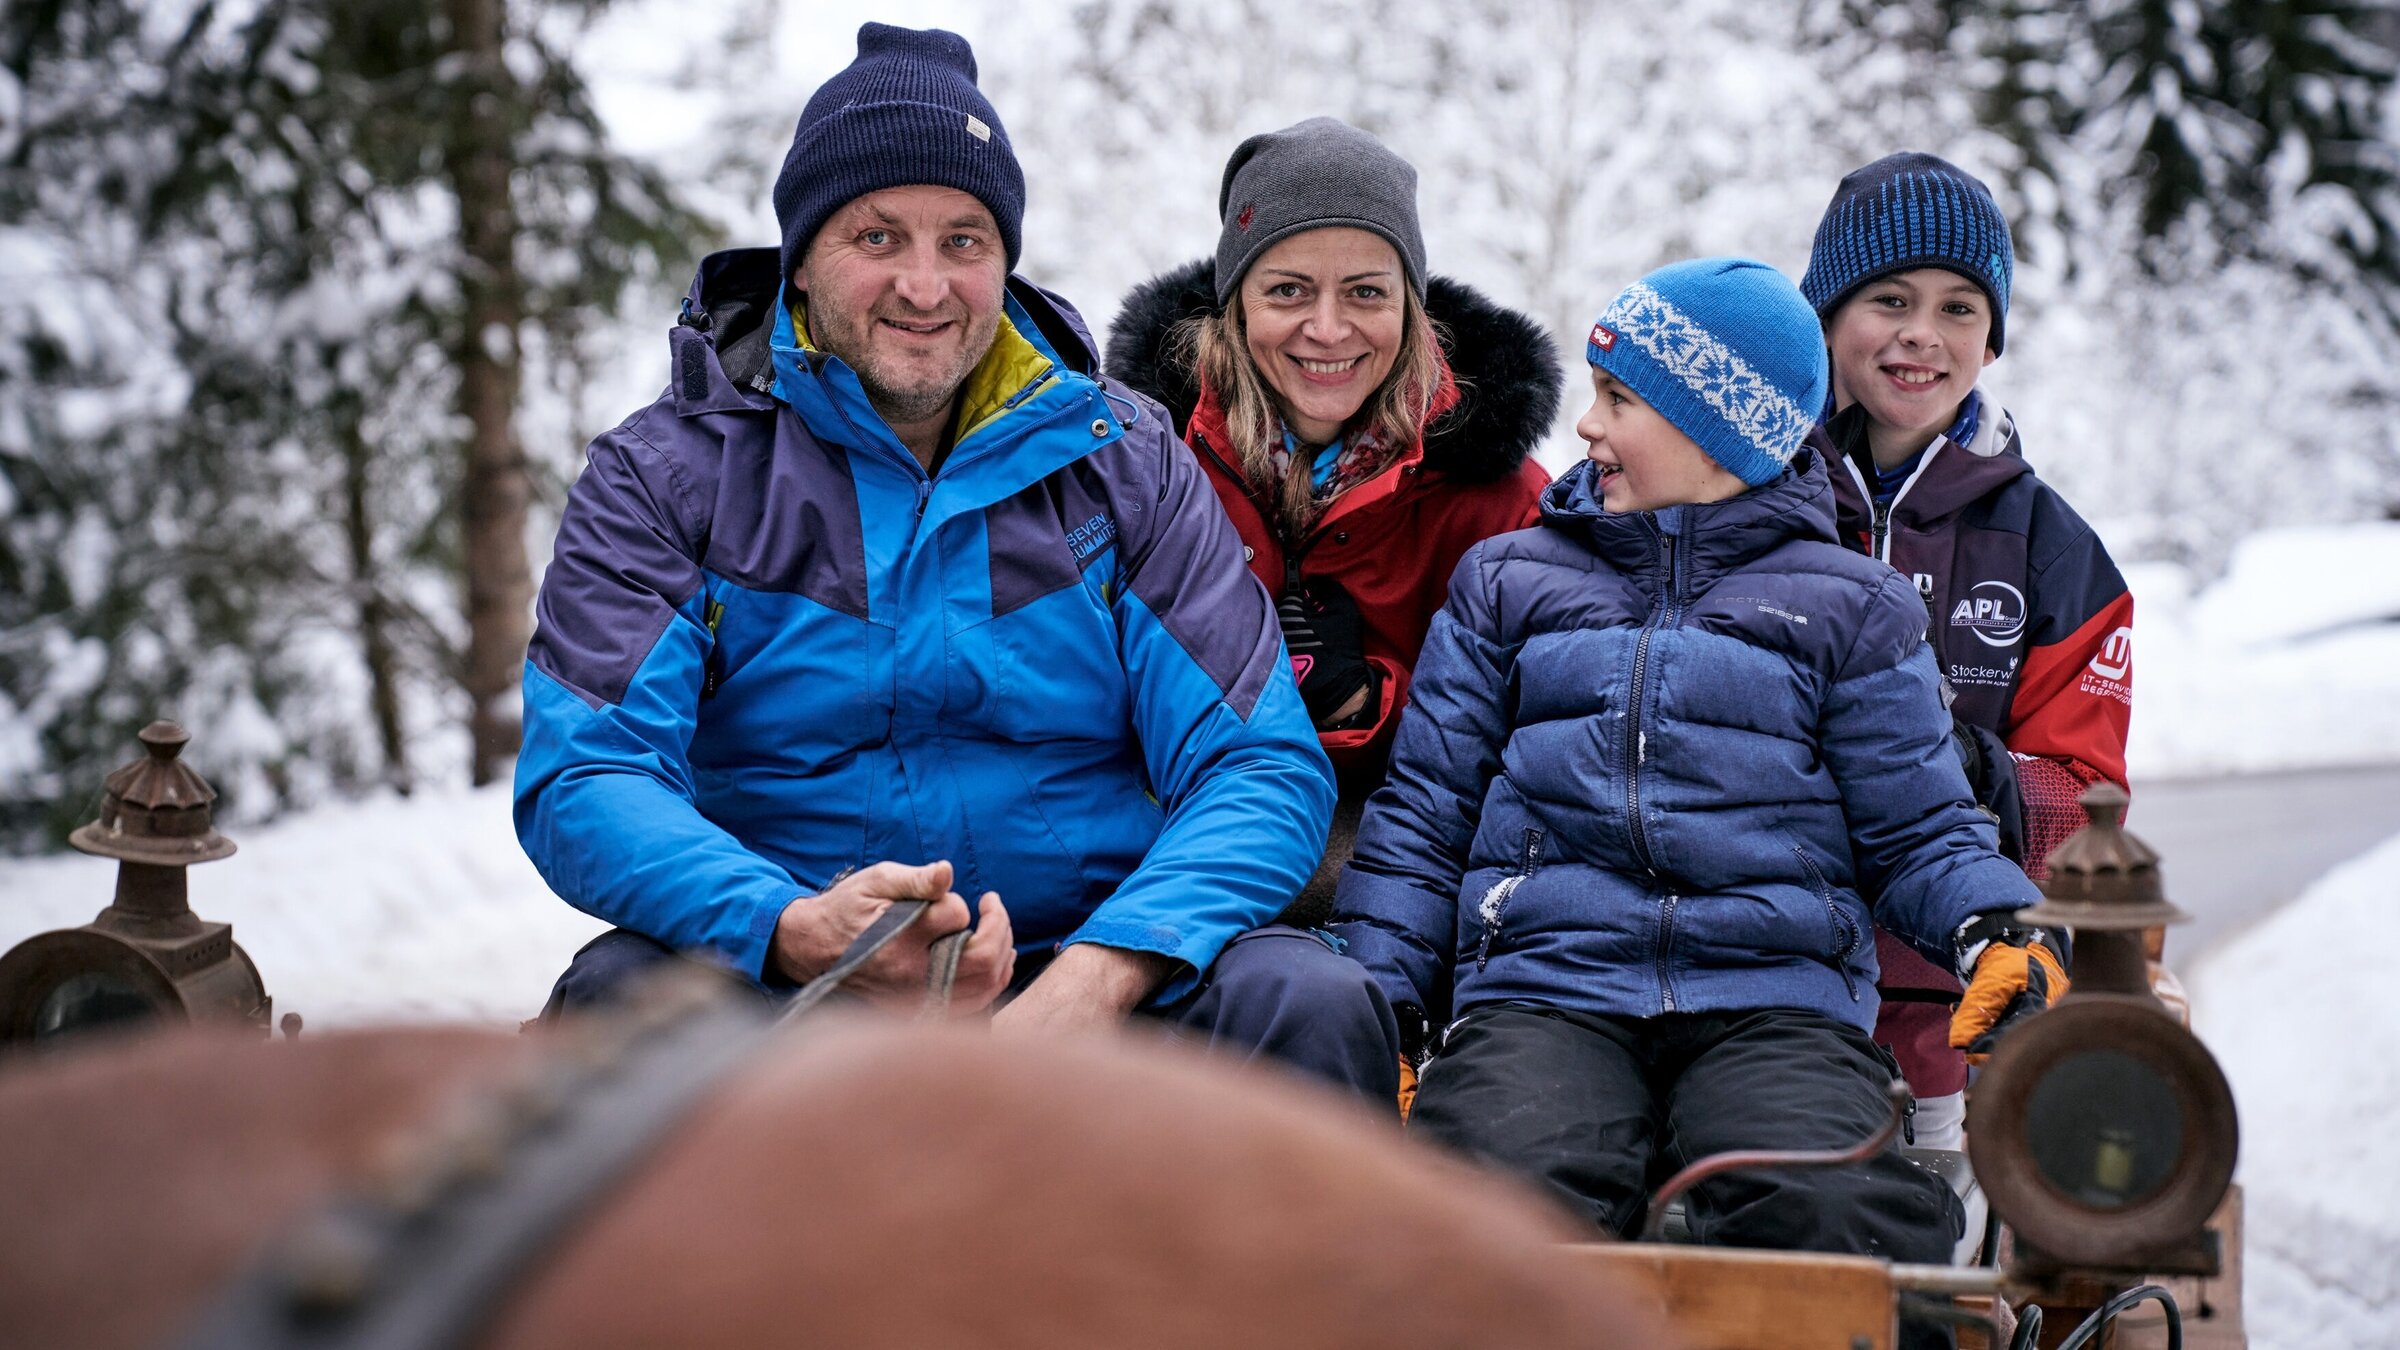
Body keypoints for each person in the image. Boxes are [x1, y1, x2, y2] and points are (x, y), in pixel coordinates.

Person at [513, 23, 1397, 1099]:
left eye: (965, 241)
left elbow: (1260, 763)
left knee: (1306, 999)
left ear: (1005, 257)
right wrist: (787, 926)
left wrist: (1104, 972)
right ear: (802, 255)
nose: (926, 287)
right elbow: (587, 772)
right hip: (782, 977)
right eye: (878, 237)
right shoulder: (666, 478)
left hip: (1091, 964)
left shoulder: (1122, 464)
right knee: (617, 1000)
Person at [1329, 258, 2067, 1268]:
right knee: (1490, 1209)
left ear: (1718, 433)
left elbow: (1919, 828)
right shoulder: (1510, 583)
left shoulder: (1849, 609)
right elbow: (1424, 817)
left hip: (1776, 1003)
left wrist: (1998, 929)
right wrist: (1389, 1002)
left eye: (1619, 400)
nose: (1586, 427)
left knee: (1829, 1216)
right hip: (1549, 989)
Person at [1105, 118, 1557, 932]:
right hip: (1173, 839)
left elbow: (1551, 727)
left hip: (1407, 864)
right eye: (1287, 289)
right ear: (1235, 303)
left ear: (1412, 306)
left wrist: (1369, 699)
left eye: (1366, 292)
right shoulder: (1142, 461)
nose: (1327, 328)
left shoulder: (1501, 499)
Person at [1798, 153, 2134, 1150]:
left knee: (1928, 1254)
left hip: (1953, 1001)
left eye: (1958, 309)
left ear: (1992, 342)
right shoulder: (1752, 499)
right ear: (1825, 322)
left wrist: (1989, 778)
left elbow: (2090, 804)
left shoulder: (2054, 548)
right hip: (1768, 971)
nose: (1920, 334)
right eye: (1888, 298)